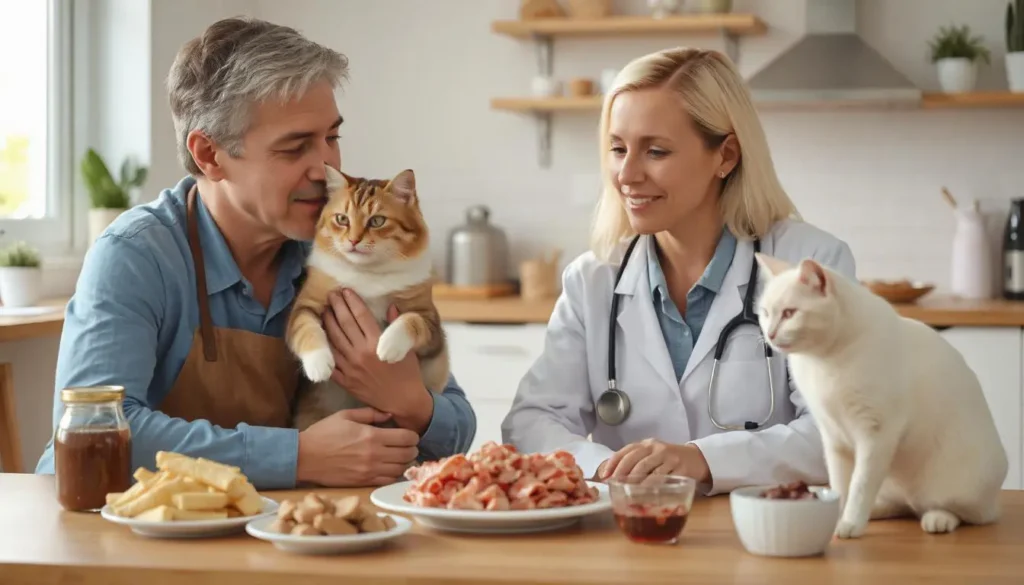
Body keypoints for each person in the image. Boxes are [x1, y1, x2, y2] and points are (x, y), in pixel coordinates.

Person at [35, 17, 475, 489]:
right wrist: (297, 457)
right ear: (210, 154)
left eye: (332, 137)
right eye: (294, 148)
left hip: (272, 539)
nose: (325, 167)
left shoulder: (344, 253)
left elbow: (458, 425)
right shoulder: (137, 255)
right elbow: (93, 430)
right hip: (118, 540)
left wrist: (414, 403)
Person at [501, 47, 856, 496]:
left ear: (725, 155)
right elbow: (529, 423)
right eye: (617, 148)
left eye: (655, 151)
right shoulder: (593, 280)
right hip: (632, 536)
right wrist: (617, 469)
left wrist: (701, 460)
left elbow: (839, 434)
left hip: (767, 536)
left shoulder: (811, 266)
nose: (626, 174)